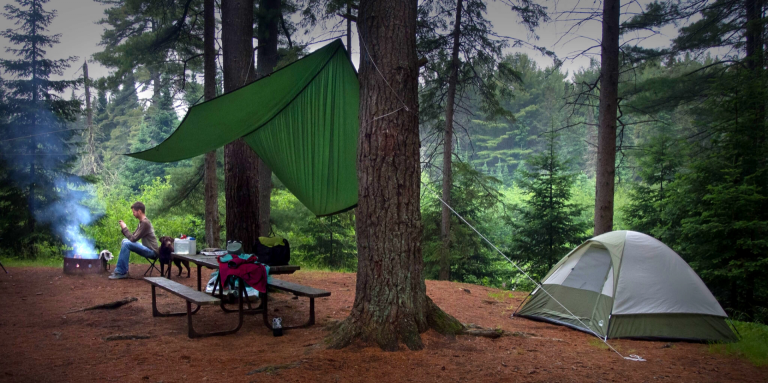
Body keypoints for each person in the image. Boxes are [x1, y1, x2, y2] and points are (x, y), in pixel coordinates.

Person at [109, 201, 159, 280]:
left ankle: (122, 272)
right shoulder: (141, 222)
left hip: (152, 252)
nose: (133, 214)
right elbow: (132, 237)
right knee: (125, 241)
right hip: (147, 248)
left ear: (139, 211)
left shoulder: (145, 223)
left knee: (126, 244)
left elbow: (133, 239)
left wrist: (124, 228)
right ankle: (120, 270)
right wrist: (124, 229)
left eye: (134, 212)